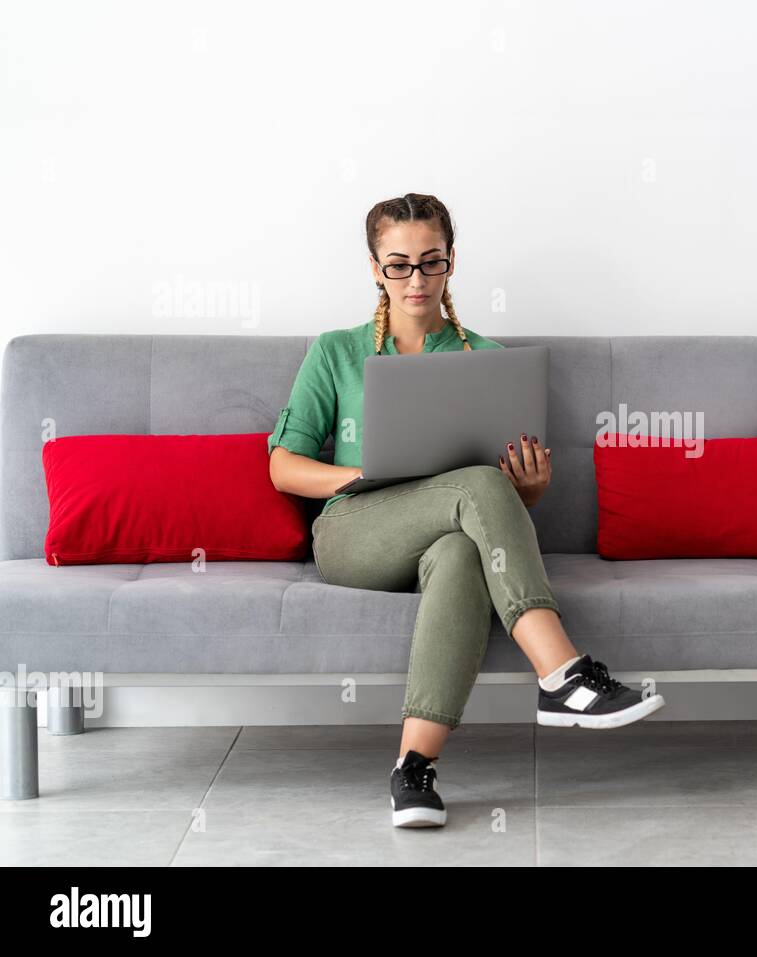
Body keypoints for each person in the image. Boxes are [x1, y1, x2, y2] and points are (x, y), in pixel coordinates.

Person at [267, 192, 665, 827]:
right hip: (352, 531)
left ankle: (412, 771)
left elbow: (502, 494)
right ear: (375, 268)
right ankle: (562, 673)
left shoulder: (486, 357)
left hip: (447, 532)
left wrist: (528, 489)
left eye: (431, 262)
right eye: (399, 264)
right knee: (473, 484)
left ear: (452, 263)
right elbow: (283, 467)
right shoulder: (336, 351)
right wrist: (360, 474)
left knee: (458, 553)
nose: (416, 279)